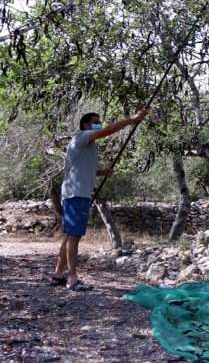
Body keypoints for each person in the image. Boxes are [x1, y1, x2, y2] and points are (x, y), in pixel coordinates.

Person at [51, 109, 148, 291]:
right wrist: (133, 119)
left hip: (75, 193)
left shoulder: (84, 145)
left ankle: (58, 275)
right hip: (76, 194)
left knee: (70, 235)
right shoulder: (83, 136)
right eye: (95, 122)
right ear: (87, 125)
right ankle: (72, 279)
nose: (99, 125)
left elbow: (80, 169)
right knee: (74, 237)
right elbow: (110, 130)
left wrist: (102, 172)